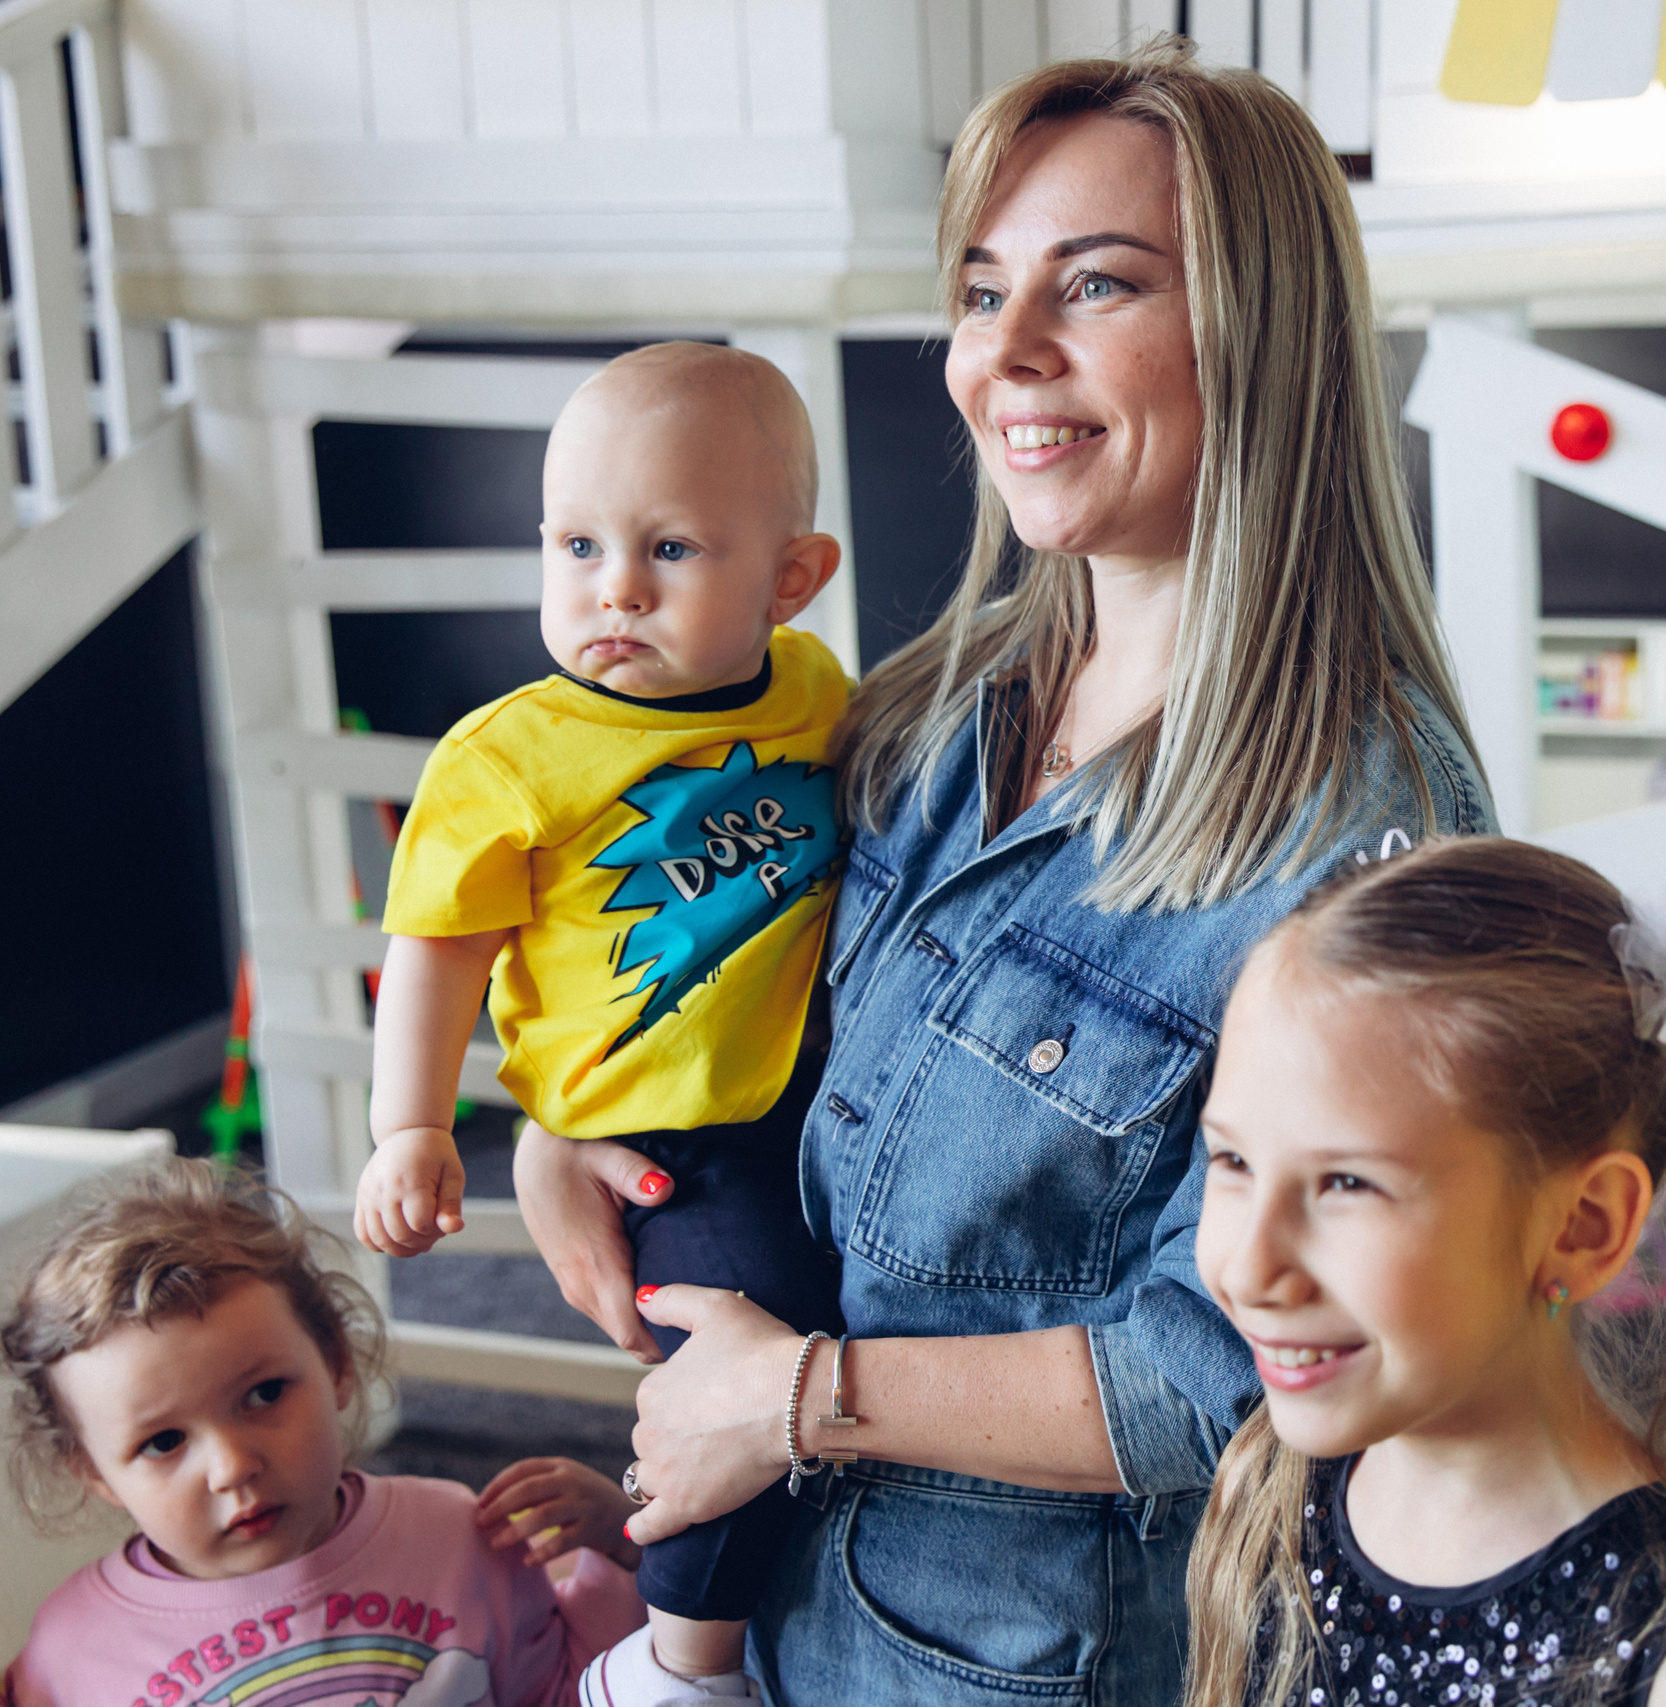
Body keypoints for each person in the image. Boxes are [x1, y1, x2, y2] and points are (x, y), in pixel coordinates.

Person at [506, 41, 1491, 1706]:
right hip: (781, 1613)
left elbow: (1258, 1363)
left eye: (1093, 285)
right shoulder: (916, 715)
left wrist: (802, 1395)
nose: (1005, 356)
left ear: (1264, 328)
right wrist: (575, 1120)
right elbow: (732, 986)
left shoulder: (1363, 826)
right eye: (979, 291)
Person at [351, 339, 851, 1698]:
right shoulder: (508, 754)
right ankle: (680, 1664)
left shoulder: (817, 695)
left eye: (672, 548)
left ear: (792, 577)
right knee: (763, 1352)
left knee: (873, 1333)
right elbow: (436, 950)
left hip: (815, 1097)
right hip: (662, 1143)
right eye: (575, 543)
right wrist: (413, 1125)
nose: (613, 586)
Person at [1187, 837, 1666, 1707]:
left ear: (1582, 1226)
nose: (1249, 1264)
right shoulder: (1268, 1494)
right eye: (1231, 1161)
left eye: (1347, 1183)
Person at [1, 1159, 645, 1707]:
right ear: (90, 1468)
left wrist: (618, 1544)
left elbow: (572, 1691)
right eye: (164, 1442)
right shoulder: (66, 1657)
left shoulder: (463, 1538)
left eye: (264, 1394)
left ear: (336, 1361)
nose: (232, 1466)